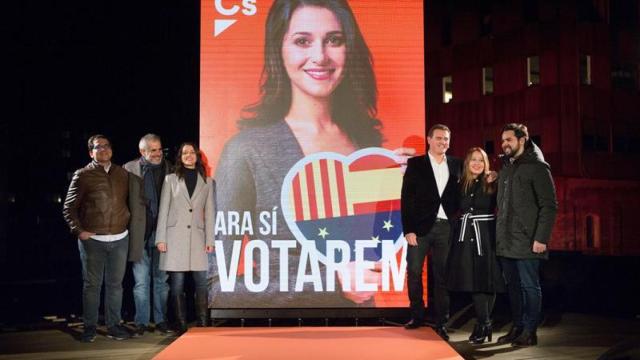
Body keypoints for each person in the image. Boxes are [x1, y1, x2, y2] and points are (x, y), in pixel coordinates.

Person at [212, 0, 411, 307]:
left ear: (349, 49)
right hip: (285, 340)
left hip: (359, 337)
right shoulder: (246, 151)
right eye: (302, 41)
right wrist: (331, 282)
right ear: (279, 49)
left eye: (334, 40)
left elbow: (380, 246)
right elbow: (218, 288)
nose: (320, 56)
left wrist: (407, 188)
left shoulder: (369, 149)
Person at [62, 135, 131, 342]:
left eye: (107, 146)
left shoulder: (122, 173)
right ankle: (90, 328)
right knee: (92, 286)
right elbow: (68, 208)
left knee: (115, 286)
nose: (103, 150)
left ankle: (114, 326)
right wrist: (79, 231)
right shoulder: (83, 175)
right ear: (90, 152)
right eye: (98, 147)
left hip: (120, 238)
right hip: (93, 240)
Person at [495, 123, 557, 347]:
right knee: (512, 287)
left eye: (509, 140)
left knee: (530, 286)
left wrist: (541, 238)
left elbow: (549, 206)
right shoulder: (506, 168)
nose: (504, 144)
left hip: (529, 241)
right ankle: (518, 327)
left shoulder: (538, 167)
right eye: (503, 140)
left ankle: (530, 331)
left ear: (522, 140)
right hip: (506, 241)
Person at [400, 124, 461, 340]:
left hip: (446, 228)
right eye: (439, 138)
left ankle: (442, 322)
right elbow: (407, 199)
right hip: (420, 229)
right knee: (414, 272)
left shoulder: (456, 164)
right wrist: (408, 230)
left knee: (442, 276)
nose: (443, 142)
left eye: (446, 139)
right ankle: (417, 316)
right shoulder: (415, 164)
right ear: (429, 139)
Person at [446, 147, 505, 344]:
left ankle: (483, 324)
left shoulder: (492, 181)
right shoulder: (461, 183)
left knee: (488, 282)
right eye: (473, 160)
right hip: (467, 236)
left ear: (486, 163)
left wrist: (497, 176)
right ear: (467, 163)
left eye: (481, 160)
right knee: (475, 283)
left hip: (487, 236)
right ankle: (484, 323)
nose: (477, 163)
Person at [156, 142, 214, 334]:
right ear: (180, 157)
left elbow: (210, 214)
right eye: (184, 153)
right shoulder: (170, 179)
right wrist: (161, 238)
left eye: (192, 152)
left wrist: (210, 240)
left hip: (198, 237)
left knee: (201, 283)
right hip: (174, 238)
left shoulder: (207, 181)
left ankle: (203, 322)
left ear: (197, 156)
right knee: (177, 285)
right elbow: (163, 210)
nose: (189, 155)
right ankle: (181, 325)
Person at [124, 134, 173, 336]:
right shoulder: (128, 169)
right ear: (142, 152)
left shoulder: (170, 168)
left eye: (160, 149)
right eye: (153, 150)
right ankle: (141, 323)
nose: (158, 153)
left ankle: (161, 321)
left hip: (163, 235)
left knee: (162, 282)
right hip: (139, 235)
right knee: (141, 282)